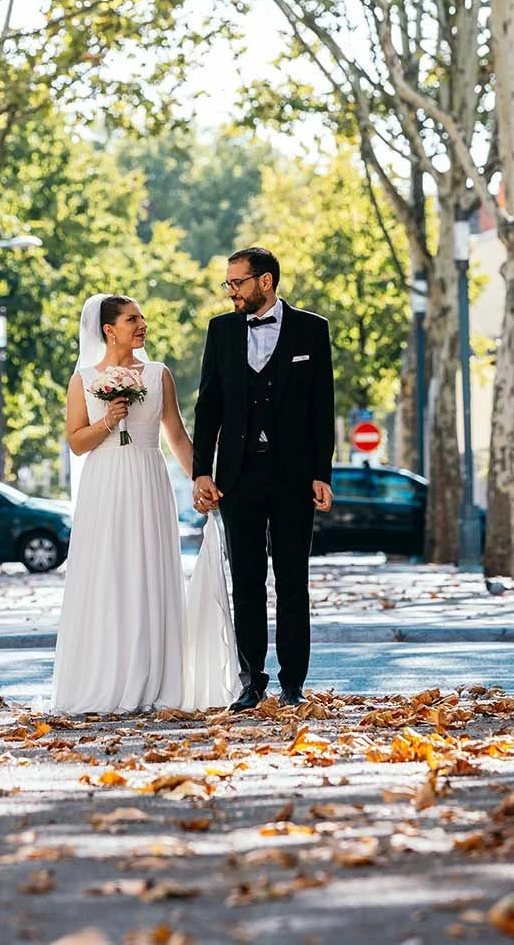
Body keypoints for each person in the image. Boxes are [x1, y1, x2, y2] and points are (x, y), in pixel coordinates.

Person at [192, 247, 335, 710]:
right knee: (247, 582)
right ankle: (251, 681)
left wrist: (322, 473)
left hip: (294, 476)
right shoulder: (221, 331)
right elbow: (208, 406)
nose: (230, 291)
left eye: (237, 282)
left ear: (265, 281)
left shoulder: (312, 329)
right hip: (238, 476)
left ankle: (293, 684)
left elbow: (322, 407)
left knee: (293, 581)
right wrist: (201, 471)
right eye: (228, 283)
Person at [52, 294, 196, 714]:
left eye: (142, 318)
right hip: (104, 485)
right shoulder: (82, 380)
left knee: (149, 569)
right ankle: (107, 678)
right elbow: (77, 443)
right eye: (132, 319)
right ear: (109, 329)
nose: (142, 325)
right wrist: (108, 420)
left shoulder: (158, 374)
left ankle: (153, 679)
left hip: (148, 479)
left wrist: (202, 480)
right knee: (109, 573)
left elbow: (177, 435)